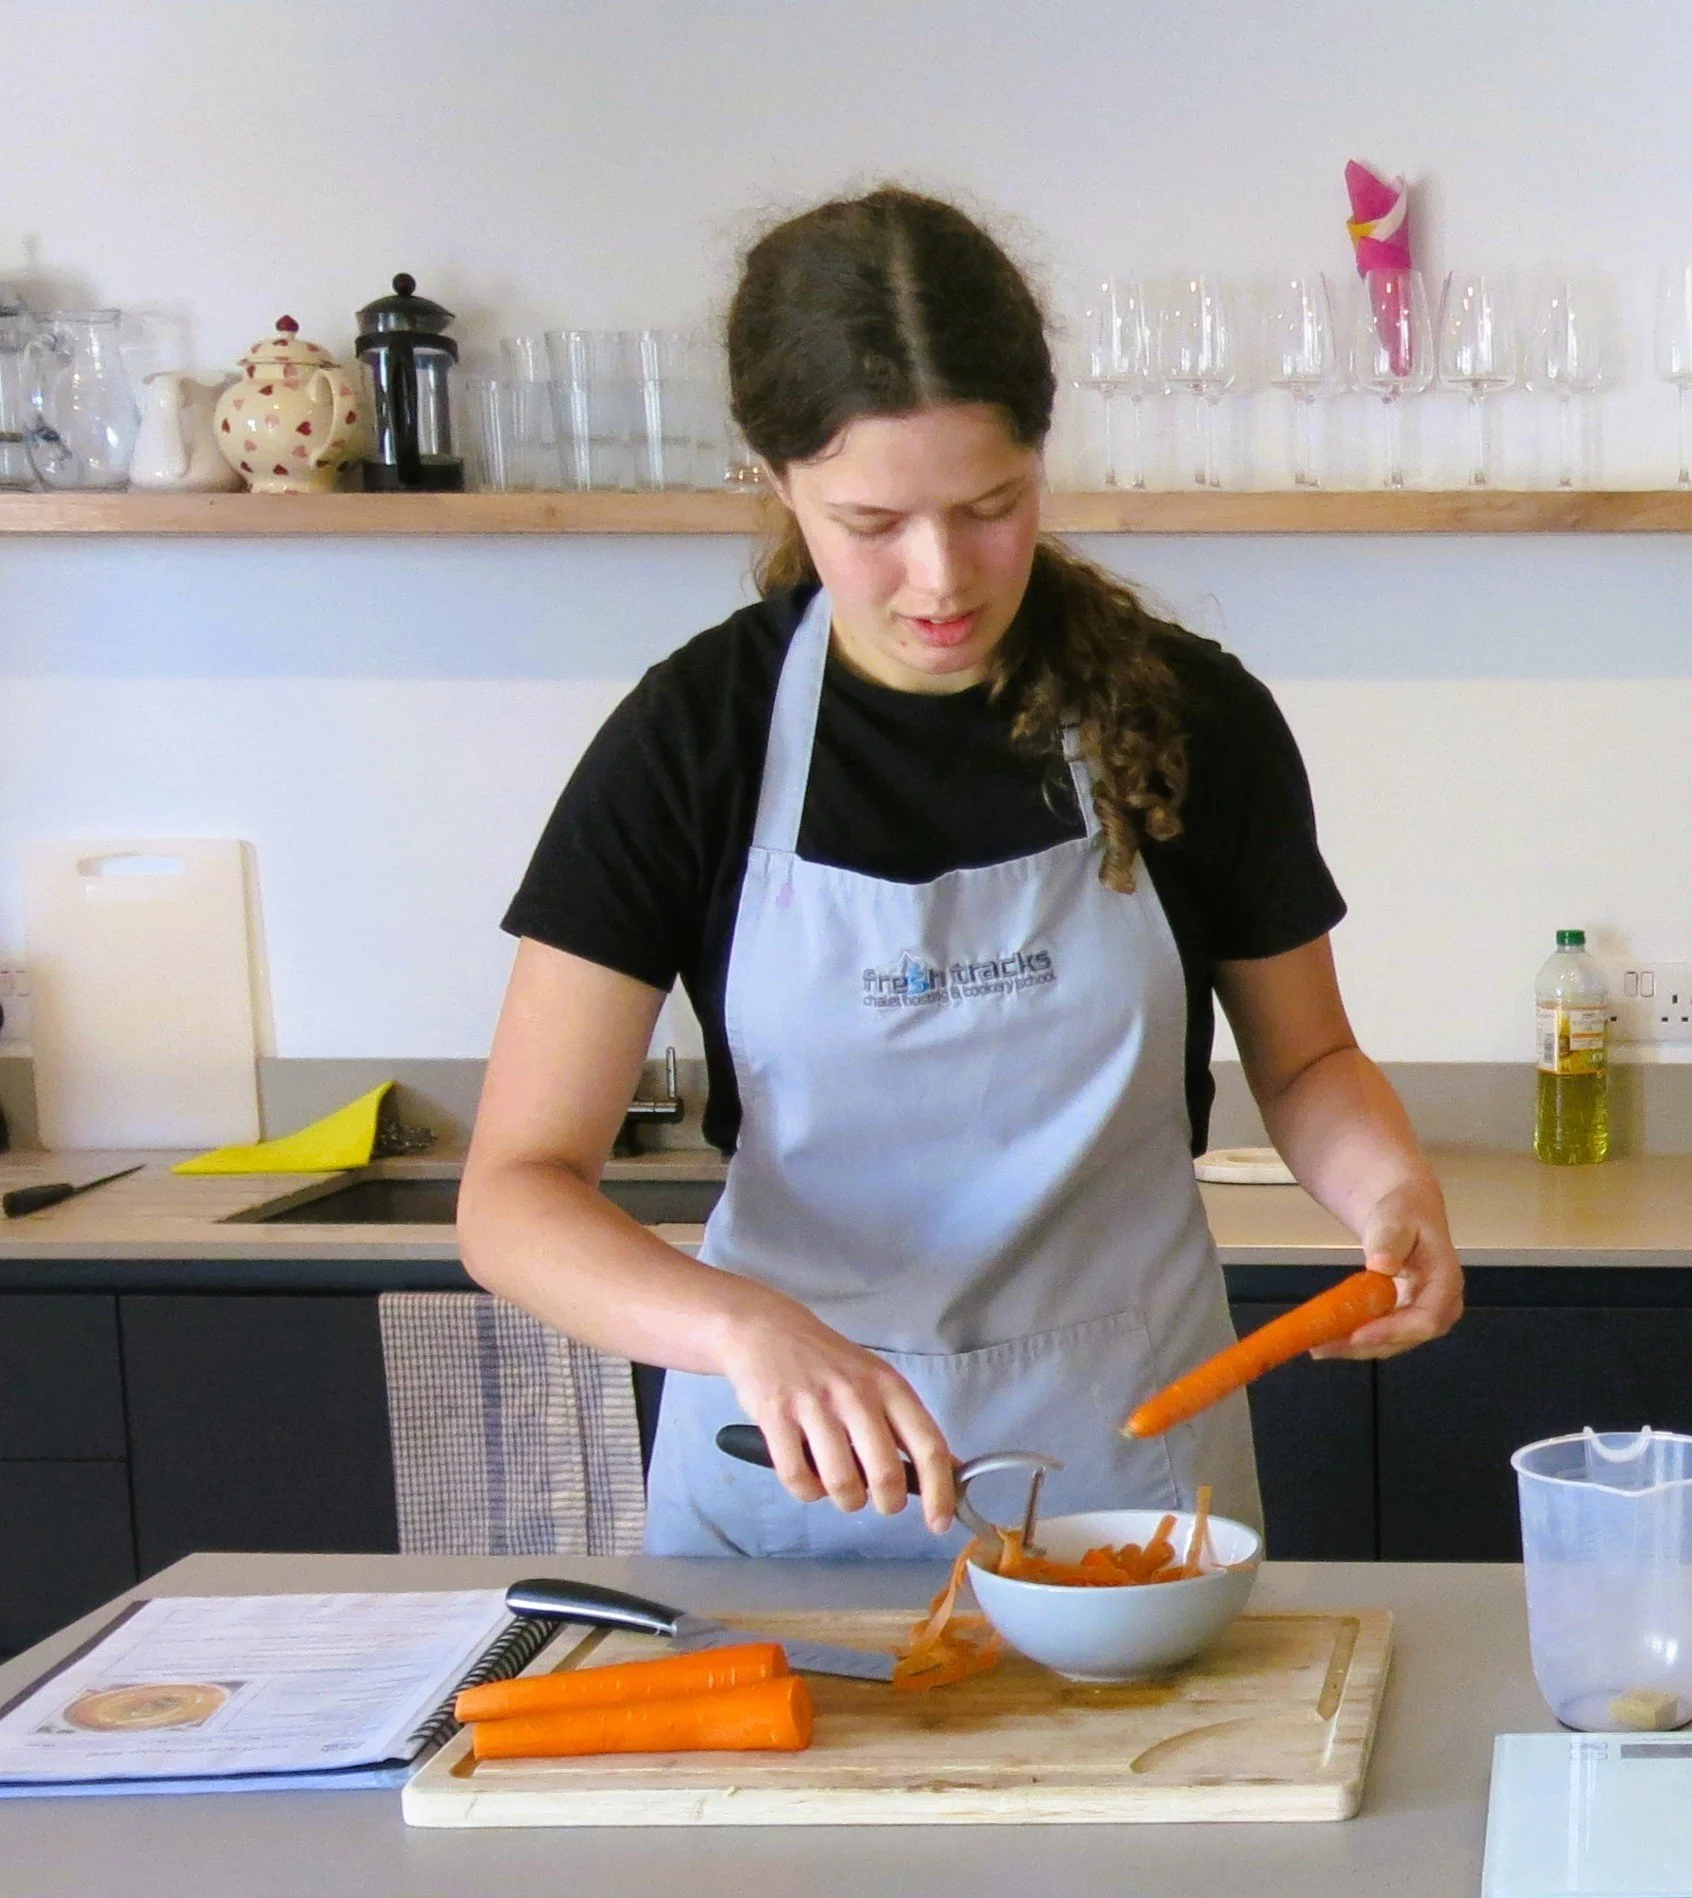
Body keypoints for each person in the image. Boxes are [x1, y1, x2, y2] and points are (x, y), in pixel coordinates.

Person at [458, 187, 1464, 1558]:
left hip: (1122, 1464)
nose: (939, 576)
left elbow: (1304, 1065)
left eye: (989, 506)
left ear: (1042, 456)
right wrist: (738, 1324)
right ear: (772, 474)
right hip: (787, 1488)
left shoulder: (1183, 717)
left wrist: (1388, 1191)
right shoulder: (691, 741)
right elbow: (513, 1192)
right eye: (871, 521)